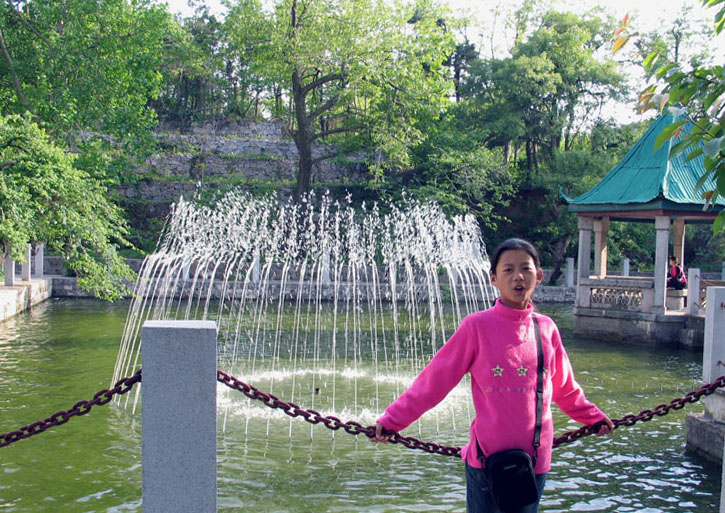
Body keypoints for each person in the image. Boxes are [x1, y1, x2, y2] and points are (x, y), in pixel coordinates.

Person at [370, 238, 614, 513]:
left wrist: (591, 416)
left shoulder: (546, 329)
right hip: (486, 463)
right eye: (508, 270)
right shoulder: (476, 327)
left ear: (539, 276)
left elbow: (565, 389)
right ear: (494, 279)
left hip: (533, 463)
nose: (518, 276)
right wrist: (392, 421)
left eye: (525, 268)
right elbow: (433, 382)